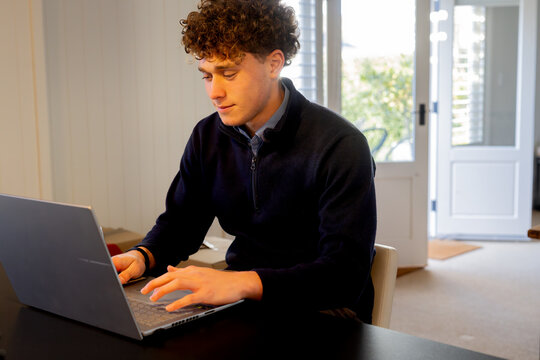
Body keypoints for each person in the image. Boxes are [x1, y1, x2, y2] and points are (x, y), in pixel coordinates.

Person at [112, 0, 377, 323]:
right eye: (207, 76)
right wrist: (143, 255)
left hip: (324, 310)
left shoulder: (340, 146)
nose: (215, 92)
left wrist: (239, 282)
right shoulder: (207, 136)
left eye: (229, 73)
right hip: (243, 300)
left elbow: (343, 276)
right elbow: (180, 223)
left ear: (274, 64)